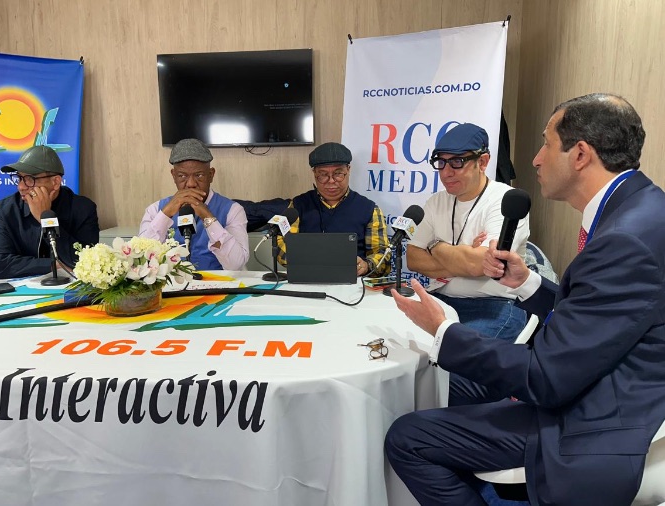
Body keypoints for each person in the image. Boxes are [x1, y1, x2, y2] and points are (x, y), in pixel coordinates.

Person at [385, 94, 665, 506]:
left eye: (546, 144)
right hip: (595, 383)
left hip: (592, 419)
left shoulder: (623, 241)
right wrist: (529, 284)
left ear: (580, 154)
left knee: (408, 438)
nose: (535, 160)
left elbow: (546, 378)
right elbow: (597, 317)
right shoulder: (641, 208)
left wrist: (443, 330)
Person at [407, 123, 530, 344]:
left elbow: (481, 264)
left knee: (455, 353)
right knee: (400, 344)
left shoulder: (505, 201)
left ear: (482, 162)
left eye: (457, 162)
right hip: (440, 298)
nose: (446, 172)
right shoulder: (436, 202)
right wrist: (464, 257)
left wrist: (435, 246)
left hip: (494, 305)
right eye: (441, 162)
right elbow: (413, 258)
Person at [278, 142, 390, 277]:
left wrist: (366, 265)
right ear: (314, 173)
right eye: (323, 175)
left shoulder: (369, 209)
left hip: (353, 283)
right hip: (308, 278)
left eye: (338, 174)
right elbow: (282, 246)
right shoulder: (297, 206)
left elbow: (383, 256)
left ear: (348, 170)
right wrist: (313, 261)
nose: (331, 181)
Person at [0, 145, 99, 279]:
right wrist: (52, 266)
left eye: (30, 179)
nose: (21, 187)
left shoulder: (83, 209)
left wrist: (45, 218)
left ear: (55, 182)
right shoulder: (7, 209)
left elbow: (85, 262)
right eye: (19, 178)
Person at [139, 138, 249, 270]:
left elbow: (236, 265)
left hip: (216, 282)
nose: (191, 184)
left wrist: (208, 217)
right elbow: (141, 260)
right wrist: (165, 214)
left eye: (199, 175)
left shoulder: (233, 210)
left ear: (211, 175)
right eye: (182, 176)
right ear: (173, 176)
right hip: (172, 282)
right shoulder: (155, 210)